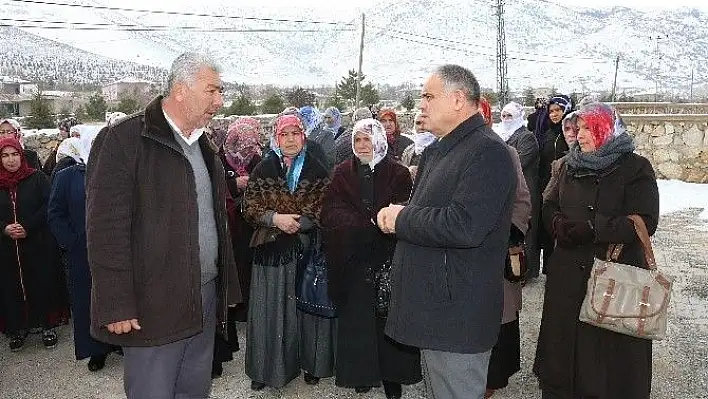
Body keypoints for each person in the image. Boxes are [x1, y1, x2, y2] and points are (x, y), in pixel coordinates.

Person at [86, 52, 242, 399]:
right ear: (181, 89)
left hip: (201, 295)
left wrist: (224, 285)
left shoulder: (204, 146)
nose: (220, 101)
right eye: (212, 90)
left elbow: (215, 221)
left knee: (193, 388)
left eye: (221, 91)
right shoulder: (125, 139)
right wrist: (116, 303)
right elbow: (104, 229)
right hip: (151, 302)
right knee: (153, 390)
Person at [377, 65, 516, 399]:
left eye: (428, 96)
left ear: (457, 100)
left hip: (457, 317)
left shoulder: (487, 152)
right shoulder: (441, 150)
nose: (421, 104)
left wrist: (402, 219)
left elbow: (465, 224)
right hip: (435, 310)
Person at [534, 102, 659, 398]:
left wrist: (595, 228)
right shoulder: (566, 165)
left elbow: (646, 220)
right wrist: (556, 223)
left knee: (604, 367)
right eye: (579, 128)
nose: (580, 135)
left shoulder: (635, 167)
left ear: (608, 129)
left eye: (590, 128)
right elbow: (548, 203)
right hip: (567, 276)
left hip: (612, 275)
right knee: (562, 359)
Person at [321, 118, 421, 399]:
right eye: (357, 140)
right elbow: (330, 212)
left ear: (379, 140)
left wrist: (381, 222)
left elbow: (403, 211)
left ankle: (393, 379)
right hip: (353, 259)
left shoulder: (398, 173)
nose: (362, 146)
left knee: (387, 322)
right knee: (357, 322)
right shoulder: (342, 173)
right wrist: (362, 224)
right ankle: (361, 375)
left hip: (388, 258)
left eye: (367, 139)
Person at [243, 114, 335, 391]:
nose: (291, 139)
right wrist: (274, 218)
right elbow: (250, 207)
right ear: (277, 138)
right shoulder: (264, 168)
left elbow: (325, 206)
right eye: (285, 134)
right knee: (269, 312)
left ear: (303, 137)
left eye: (296, 133)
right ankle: (264, 369)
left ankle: (311, 365)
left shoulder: (317, 169)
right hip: (270, 251)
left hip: (305, 250)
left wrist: (299, 223)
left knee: (306, 311)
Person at [48, 128, 119, 371]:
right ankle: (95, 349)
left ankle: (118, 342)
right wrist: (71, 242)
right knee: (87, 301)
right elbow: (55, 213)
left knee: (116, 297)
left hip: (114, 251)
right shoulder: (67, 176)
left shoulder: (117, 173)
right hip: (82, 253)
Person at [0, 137, 68, 351]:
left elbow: (50, 205)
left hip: (36, 242)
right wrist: (4, 228)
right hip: (7, 247)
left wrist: (27, 226)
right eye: (5, 155)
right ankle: (18, 328)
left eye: (14, 154)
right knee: (12, 287)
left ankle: (47, 326)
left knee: (41, 282)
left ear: (22, 156)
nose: (11, 160)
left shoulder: (37, 178)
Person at [212, 116, 263, 378]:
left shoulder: (257, 160)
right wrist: (234, 184)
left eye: (248, 146)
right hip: (228, 226)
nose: (245, 151)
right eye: (241, 145)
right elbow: (215, 187)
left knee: (247, 268)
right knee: (231, 271)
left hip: (250, 225)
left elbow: (265, 185)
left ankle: (246, 310)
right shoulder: (220, 160)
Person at [485, 147, 531, 398]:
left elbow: (522, 199)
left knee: (499, 322)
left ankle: (489, 386)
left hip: (498, 253)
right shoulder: (442, 150)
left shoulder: (505, 153)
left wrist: (510, 233)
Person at [496, 102, 541, 281]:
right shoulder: (501, 135)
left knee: (526, 233)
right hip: (507, 192)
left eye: (510, 116)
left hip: (525, 190)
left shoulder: (526, 137)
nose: (506, 120)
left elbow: (519, 163)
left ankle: (525, 271)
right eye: (504, 116)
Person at [537, 95, 574, 273]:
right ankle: (551, 269)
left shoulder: (571, 133)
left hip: (568, 187)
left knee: (566, 228)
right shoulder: (548, 134)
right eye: (551, 111)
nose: (553, 114)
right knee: (549, 227)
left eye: (558, 110)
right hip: (548, 187)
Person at [400, 112, 436, 179]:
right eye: (418, 123)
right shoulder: (408, 150)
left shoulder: (440, 148)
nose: (421, 127)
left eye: (425, 123)